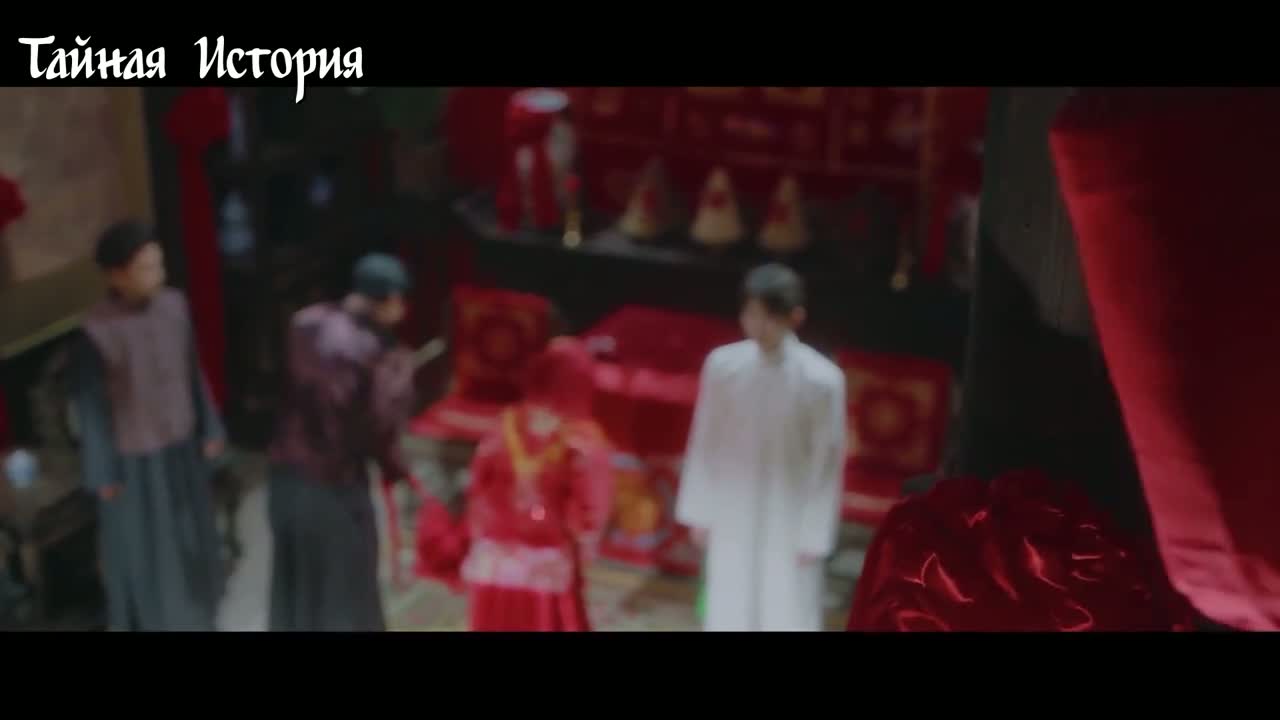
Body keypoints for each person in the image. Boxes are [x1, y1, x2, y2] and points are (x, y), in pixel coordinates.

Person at [70, 220, 226, 631]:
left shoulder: (175, 305)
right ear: (116, 275)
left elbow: (193, 371)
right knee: (149, 552)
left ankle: (200, 619)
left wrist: (210, 426)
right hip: (135, 460)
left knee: (193, 538)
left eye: (159, 265)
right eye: (145, 268)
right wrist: (103, 472)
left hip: (183, 445)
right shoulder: (95, 332)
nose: (157, 275)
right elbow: (91, 410)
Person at [676, 263, 847, 631]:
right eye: (751, 314)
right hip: (732, 504)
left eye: (769, 317)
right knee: (729, 598)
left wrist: (814, 533)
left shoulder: (822, 379)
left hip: (789, 510)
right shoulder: (724, 365)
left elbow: (827, 462)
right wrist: (700, 509)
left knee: (785, 605)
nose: (757, 325)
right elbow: (705, 438)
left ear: (795, 317)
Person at [415, 337, 614, 631]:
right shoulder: (582, 439)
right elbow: (592, 510)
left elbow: (478, 486)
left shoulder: (503, 426)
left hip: (494, 559)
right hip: (547, 563)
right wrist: (583, 545)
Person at [268, 254, 417, 631]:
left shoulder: (305, 321)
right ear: (390, 300)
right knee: (345, 593)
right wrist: (399, 470)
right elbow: (378, 426)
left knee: (299, 586)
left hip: (286, 474)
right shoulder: (373, 352)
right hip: (335, 486)